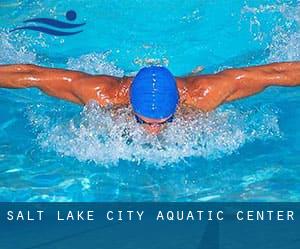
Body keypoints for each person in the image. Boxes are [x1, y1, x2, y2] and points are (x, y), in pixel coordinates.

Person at [0, 62, 299, 134]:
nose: (153, 131)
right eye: (143, 121)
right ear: (130, 105)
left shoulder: (204, 94)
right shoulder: (101, 93)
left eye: (163, 122)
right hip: (117, 85)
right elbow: (31, 75)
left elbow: (273, 74)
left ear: (177, 108)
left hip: (191, 84)